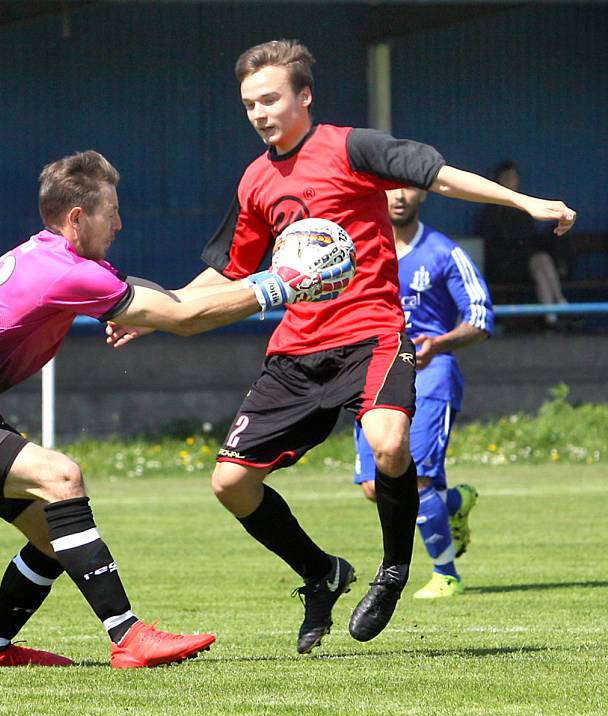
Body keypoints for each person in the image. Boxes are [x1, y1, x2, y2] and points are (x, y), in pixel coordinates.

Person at [107, 39, 575, 653]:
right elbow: (230, 270)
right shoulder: (255, 181)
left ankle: (394, 569)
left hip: (373, 335)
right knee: (230, 485)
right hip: (296, 352)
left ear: (304, 96)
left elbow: (438, 175)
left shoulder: (351, 147)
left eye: (270, 99)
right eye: (249, 104)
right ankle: (320, 573)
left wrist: (523, 201)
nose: (259, 113)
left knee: (387, 444)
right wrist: (162, 313)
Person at [0, 150, 345, 669]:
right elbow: (185, 317)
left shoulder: (53, 258)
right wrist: (280, 285)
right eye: (112, 212)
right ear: (77, 218)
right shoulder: (66, 272)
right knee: (62, 478)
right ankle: (128, 636)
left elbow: (160, 300)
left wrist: (162, 309)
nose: (120, 223)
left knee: (52, 537)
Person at [353, 185, 493, 599]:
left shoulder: (443, 251)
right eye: (388, 187)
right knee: (375, 487)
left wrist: (440, 343)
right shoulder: (358, 250)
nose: (397, 196)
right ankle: (452, 505)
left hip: (429, 373)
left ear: (424, 194)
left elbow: (480, 316)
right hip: (375, 373)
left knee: (418, 480)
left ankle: (446, 574)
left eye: (408, 187)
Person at [479, 160, 568, 327]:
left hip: (526, 264)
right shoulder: (492, 212)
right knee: (538, 261)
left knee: (541, 260)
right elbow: (492, 247)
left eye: (513, 177)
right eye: (506, 178)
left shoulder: (523, 208)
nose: (510, 181)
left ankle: (552, 315)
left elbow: (531, 240)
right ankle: (559, 306)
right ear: (498, 181)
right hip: (505, 267)